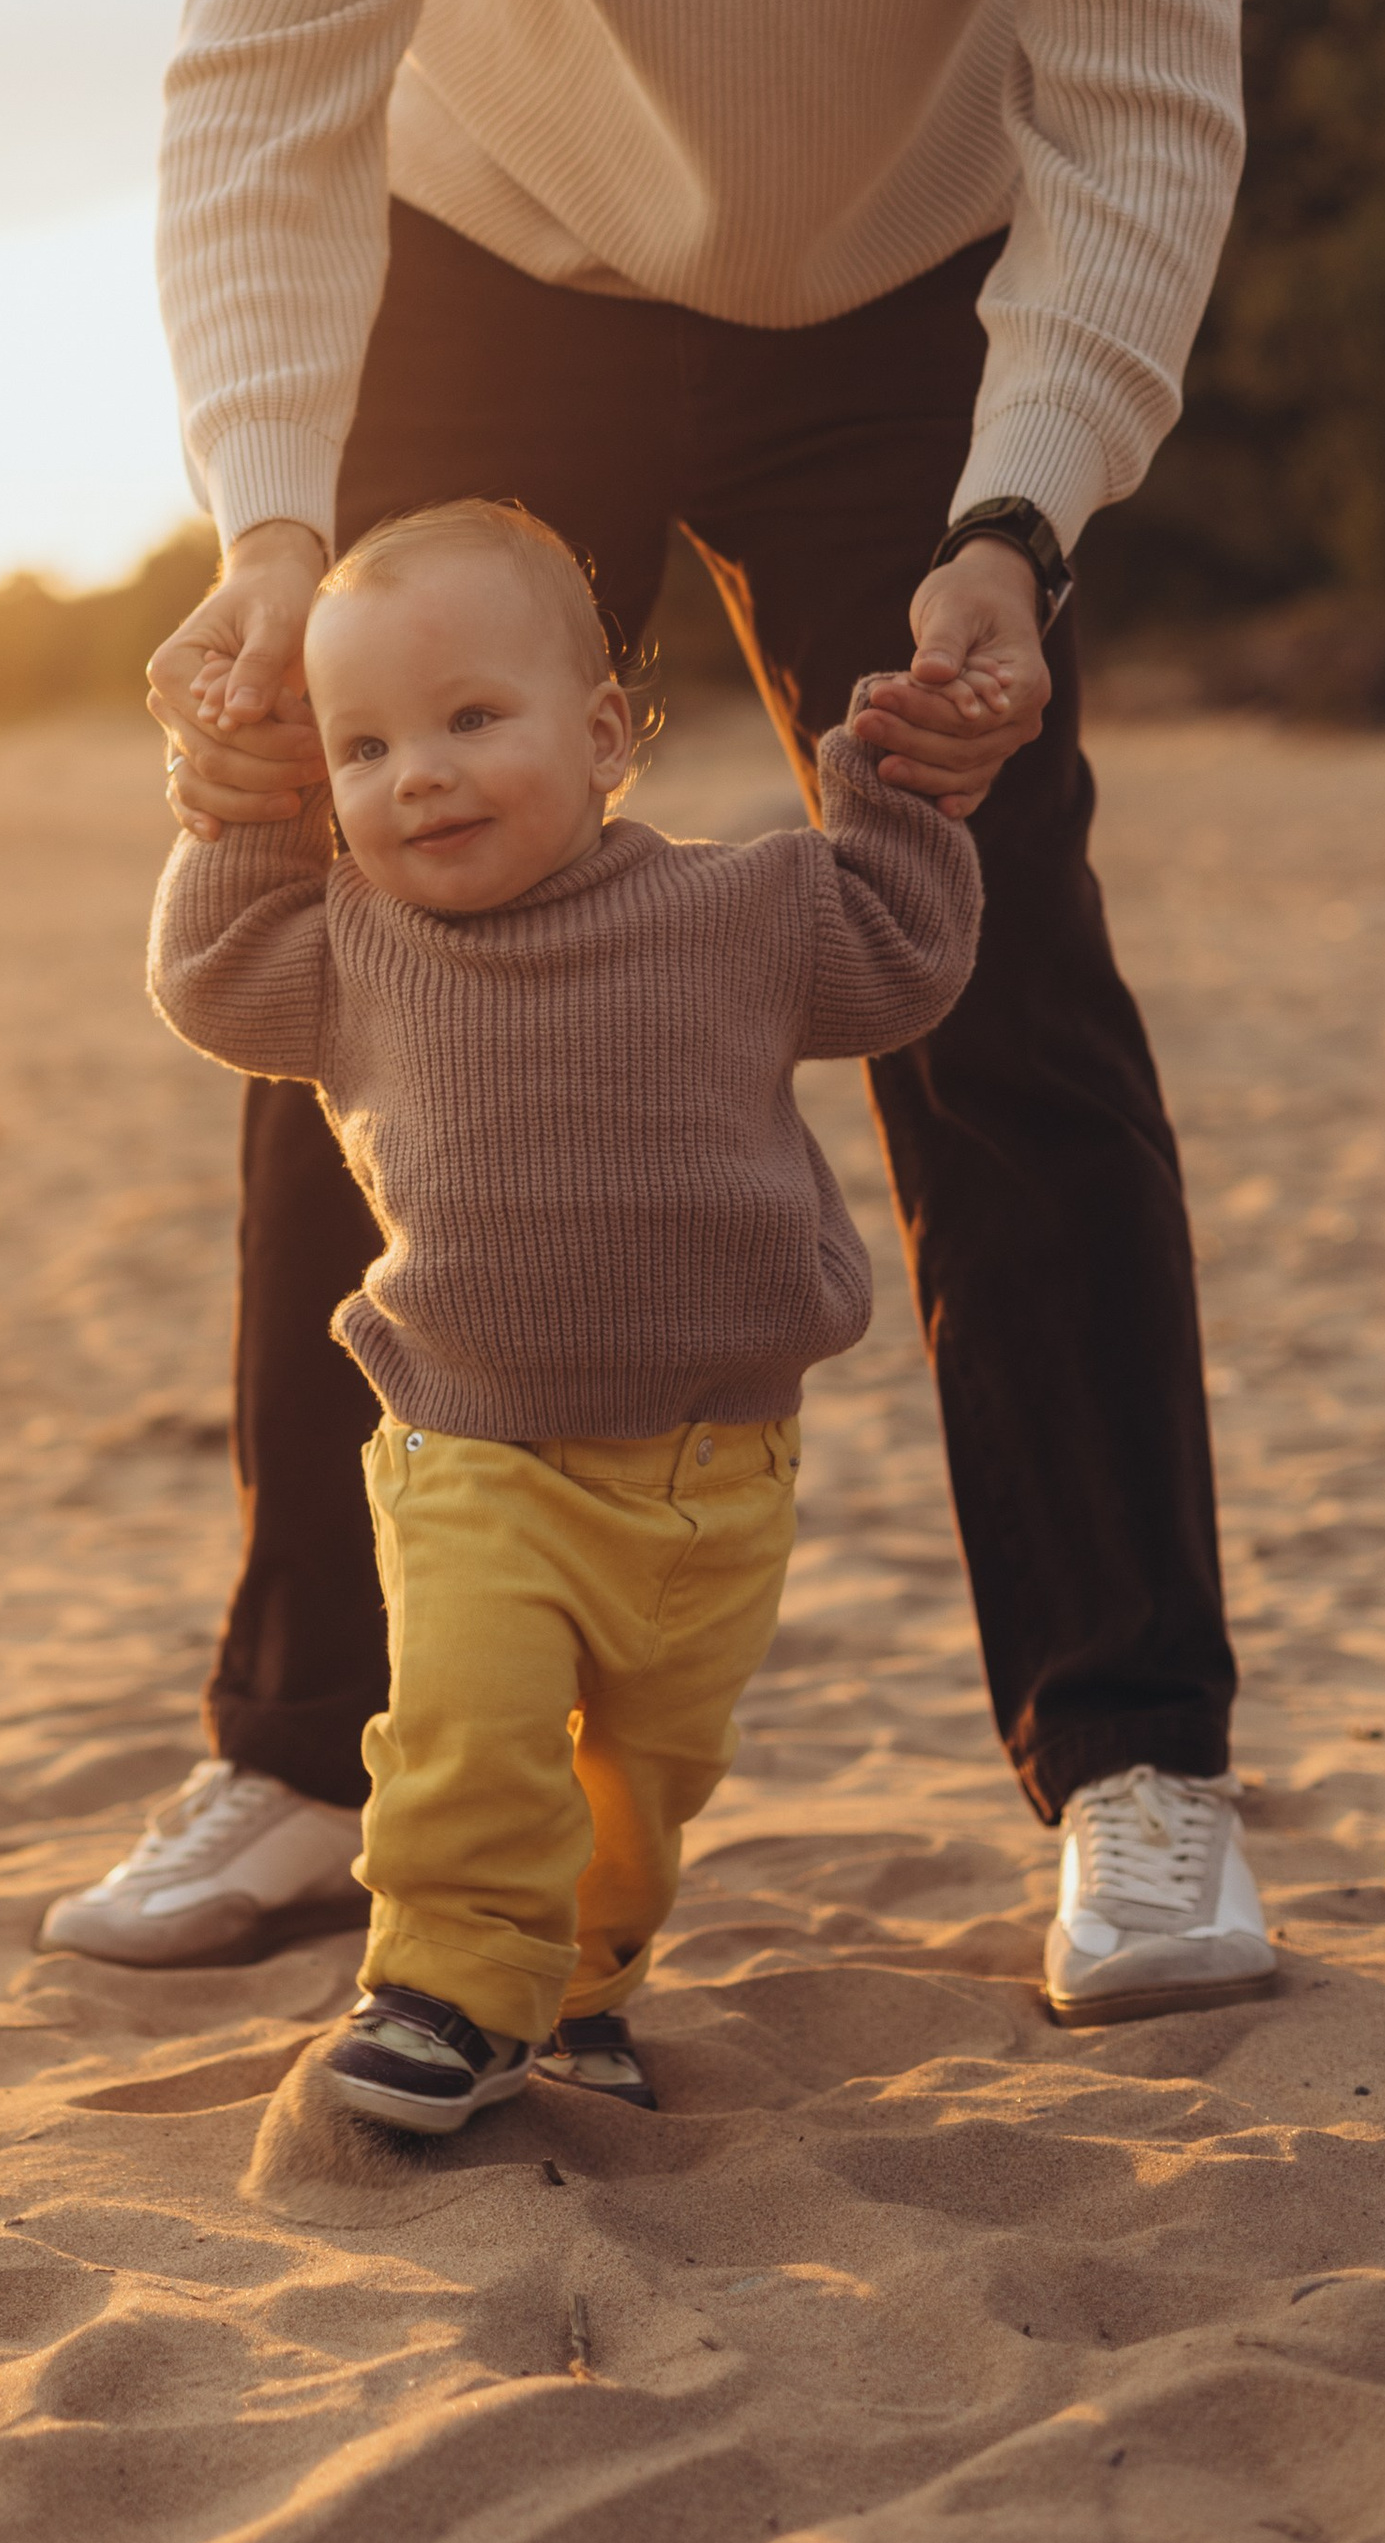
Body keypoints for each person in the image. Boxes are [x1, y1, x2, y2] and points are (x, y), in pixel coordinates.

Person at [40, 0, 1281, 2026]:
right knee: (380, 944)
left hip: (913, 293)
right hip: (512, 253)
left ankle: (1132, 1773)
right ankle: (302, 1757)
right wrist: (259, 521)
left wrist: (1021, 513)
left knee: (1009, 987)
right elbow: (272, 46)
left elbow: (1137, 95)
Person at [145, 499, 980, 2131]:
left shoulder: (743, 909)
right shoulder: (349, 950)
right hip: (475, 1448)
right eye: (365, 748)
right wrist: (243, 816)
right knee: (470, 1732)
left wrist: (894, 788)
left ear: (604, 735)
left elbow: (906, 954)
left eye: (471, 720)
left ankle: (575, 1992)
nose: (422, 776)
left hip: (714, 1474)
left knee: (638, 1777)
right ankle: (448, 1992)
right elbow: (209, 973)